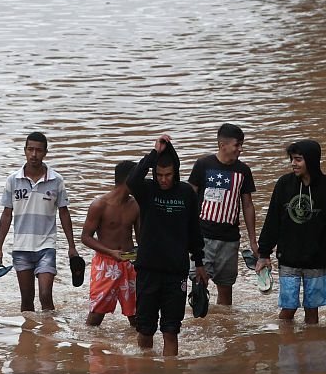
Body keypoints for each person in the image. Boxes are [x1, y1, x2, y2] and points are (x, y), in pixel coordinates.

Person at [127, 134, 208, 356]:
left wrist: (199, 263)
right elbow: (132, 180)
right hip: (148, 270)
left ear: (176, 173)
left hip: (176, 272)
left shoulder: (186, 194)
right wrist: (154, 153)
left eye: (168, 175)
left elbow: (194, 230)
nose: (164, 180)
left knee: (171, 331)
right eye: (159, 175)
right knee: (145, 330)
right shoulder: (147, 190)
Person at [255, 139, 326, 324]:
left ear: (311, 161)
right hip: (288, 257)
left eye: (298, 159)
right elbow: (272, 220)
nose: (293, 164)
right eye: (292, 159)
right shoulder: (284, 184)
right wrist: (263, 253)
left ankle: (311, 347)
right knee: (288, 309)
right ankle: (285, 348)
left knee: (312, 311)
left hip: (316, 258)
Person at [0, 132, 80, 312]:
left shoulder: (56, 180)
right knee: (27, 301)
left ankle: (49, 335)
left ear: (45, 153)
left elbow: (64, 212)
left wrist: (72, 246)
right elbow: (6, 214)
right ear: (24, 151)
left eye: (38, 150)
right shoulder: (13, 180)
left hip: (46, 246)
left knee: (45, 295)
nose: (34, 154)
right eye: (30, 149)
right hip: (21, 247)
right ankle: (29, 336)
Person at [186, 122, 260, 306]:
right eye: (237, 145)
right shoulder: (203, 164)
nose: (240, 149)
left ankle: (225, 329)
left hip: (229, 239)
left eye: (242, 145)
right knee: (198, 284)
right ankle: (200, 326)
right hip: (203, 237)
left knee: (226, 288)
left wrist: (253, 240)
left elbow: (248, 205)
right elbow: (188, 197)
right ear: (222, 145)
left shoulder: (243, 171)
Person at [81, 160, 141, 327]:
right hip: (106, 263)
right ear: (129, 179)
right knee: (96, 315)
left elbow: (141, 238)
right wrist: (110, 252)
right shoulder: (99, 205)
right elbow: (86, 237)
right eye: (139, 177)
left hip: (129, 261)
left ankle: (141, 352)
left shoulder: (135, 205)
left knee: (137, 316)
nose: (142, 182)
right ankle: (89, 349)